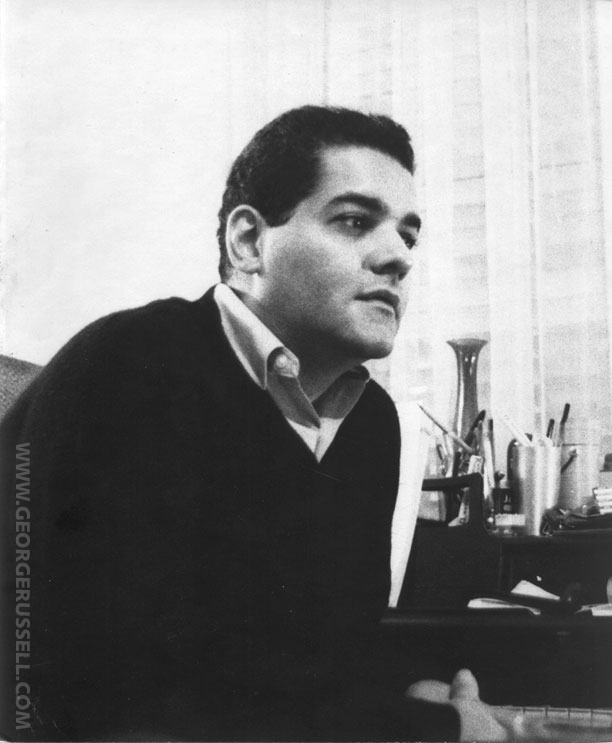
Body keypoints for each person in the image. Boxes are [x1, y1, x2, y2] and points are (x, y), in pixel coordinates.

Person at [1, 105, 515, 742]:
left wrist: (409, 691)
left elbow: (311, 658)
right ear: (248, 243)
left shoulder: (371, 422)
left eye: (408, 236)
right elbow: (114, 694)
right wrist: (428, 730)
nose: (398, 258)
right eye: (355, 221)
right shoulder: (128, 365)